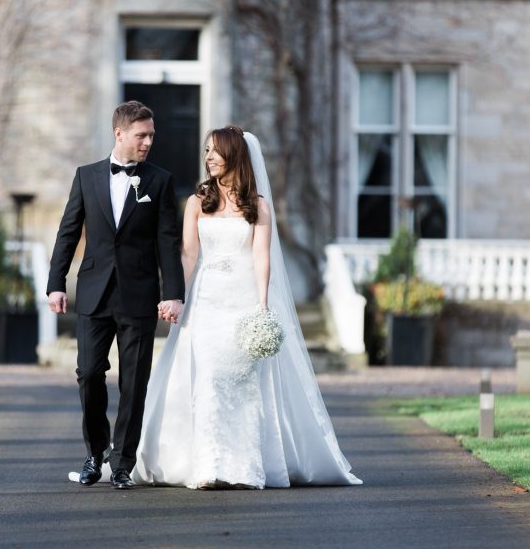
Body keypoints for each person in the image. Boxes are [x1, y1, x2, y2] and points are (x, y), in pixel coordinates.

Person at [132, 126, 362, 489]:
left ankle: (243, 468)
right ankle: (209, 465)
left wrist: (262, 306)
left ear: (234, 155)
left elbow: (260, 257)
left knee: (243, 383)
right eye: (206, 150)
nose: (208, 157)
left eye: (215, 151)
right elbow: (188, 254)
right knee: (208, 377)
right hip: (206, 300)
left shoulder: (259, 206)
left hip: (242, 300)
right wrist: (175, 295)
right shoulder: (197, 202)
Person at [47, 100, 185, 490]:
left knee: (134, 382)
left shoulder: (160, 181)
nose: (148, 143)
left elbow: (168, 242)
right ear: (118, 133)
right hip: (93, 293)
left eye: (151, 136)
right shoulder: (86, 176)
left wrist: (173, 293)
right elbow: (68, 233)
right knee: (89, 374)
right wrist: (56, 283)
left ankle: (123, 463)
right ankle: (96, 453)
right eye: (141, 135)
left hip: (140, 296)